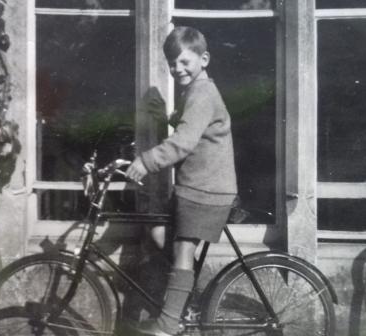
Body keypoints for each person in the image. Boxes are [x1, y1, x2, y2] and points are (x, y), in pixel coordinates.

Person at [126, 26, 238, 336]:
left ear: (204, 59)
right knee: (159, 232)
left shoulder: (203, 94)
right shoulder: (197, 92)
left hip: (206, 188)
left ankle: (167, 325)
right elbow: (187, 123)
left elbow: (185, 142)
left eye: (184, 62)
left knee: (182, 249)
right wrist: (165, 118)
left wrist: (146, 161)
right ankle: (183, 303)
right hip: (196, 185)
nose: (177, 69)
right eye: (172, 63)